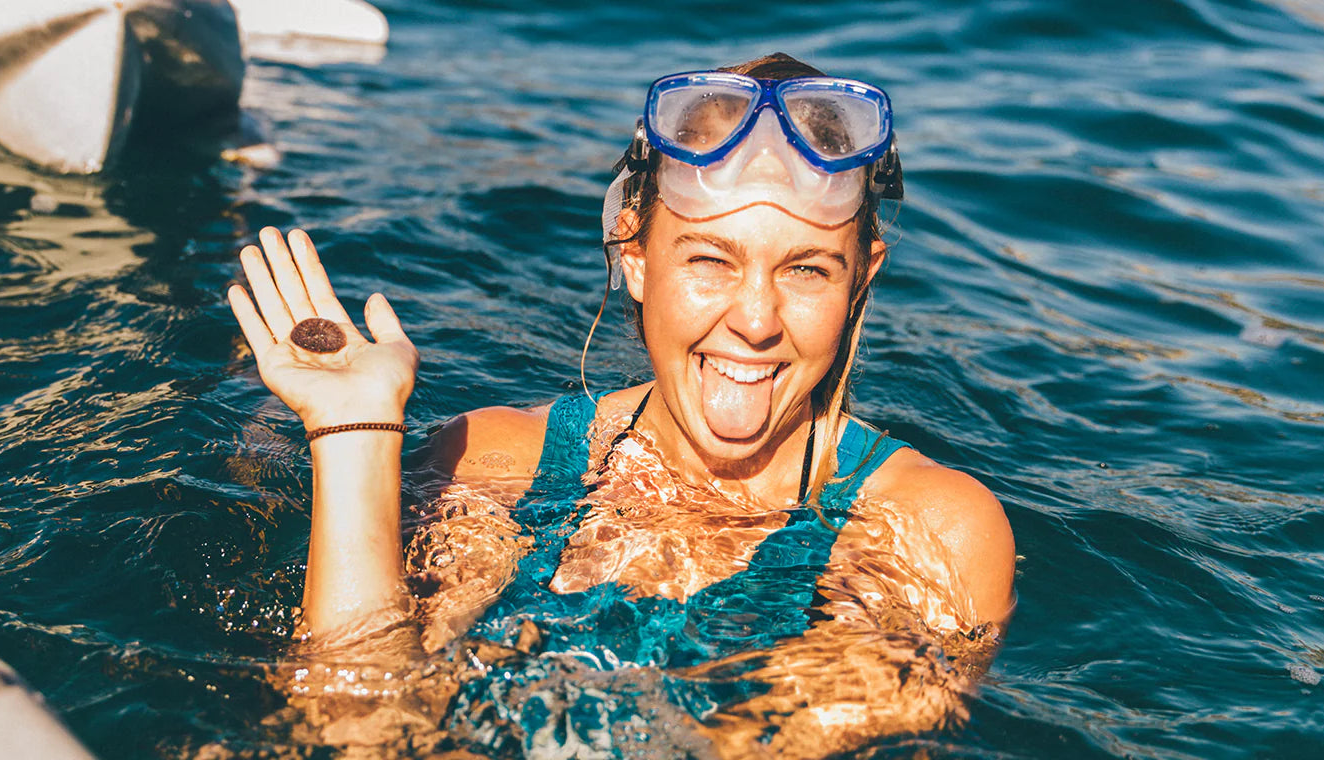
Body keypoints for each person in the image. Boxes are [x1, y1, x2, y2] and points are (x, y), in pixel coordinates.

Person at [225, 52, 1015, 759]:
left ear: (860, 277)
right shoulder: (499, 460)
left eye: (806, 270)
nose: (755, 319)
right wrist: (353, 436)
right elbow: (352, 725)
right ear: (634, 258)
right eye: (710, 259)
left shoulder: (932, 530)